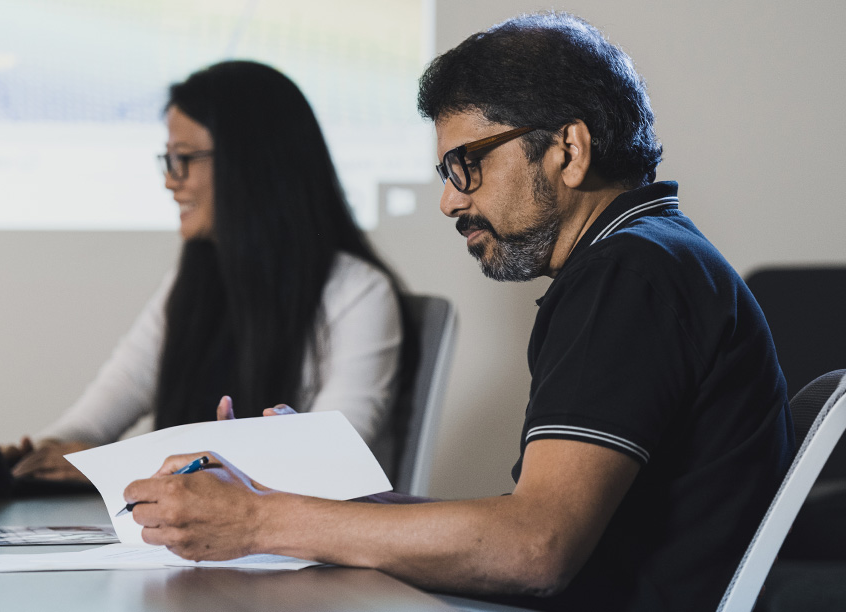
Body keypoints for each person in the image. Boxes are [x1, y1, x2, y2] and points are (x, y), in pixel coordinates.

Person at [121, 13, 795, 612]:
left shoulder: (630, 273)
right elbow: (526, 527)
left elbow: (534, 549)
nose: (450, 202)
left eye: (464, 166)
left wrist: (262, 522)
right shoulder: (650, 258)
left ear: (568, 149)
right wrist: (306, 499)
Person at [4, 61, 408, 482]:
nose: (170, 182)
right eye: (168, 159)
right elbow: (96, 417)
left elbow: (326, 460)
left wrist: (103, 467)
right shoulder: (193, 283)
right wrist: (37, 455)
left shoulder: (359, 293)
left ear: (251, 163)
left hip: (299, 545)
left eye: (184, 159)